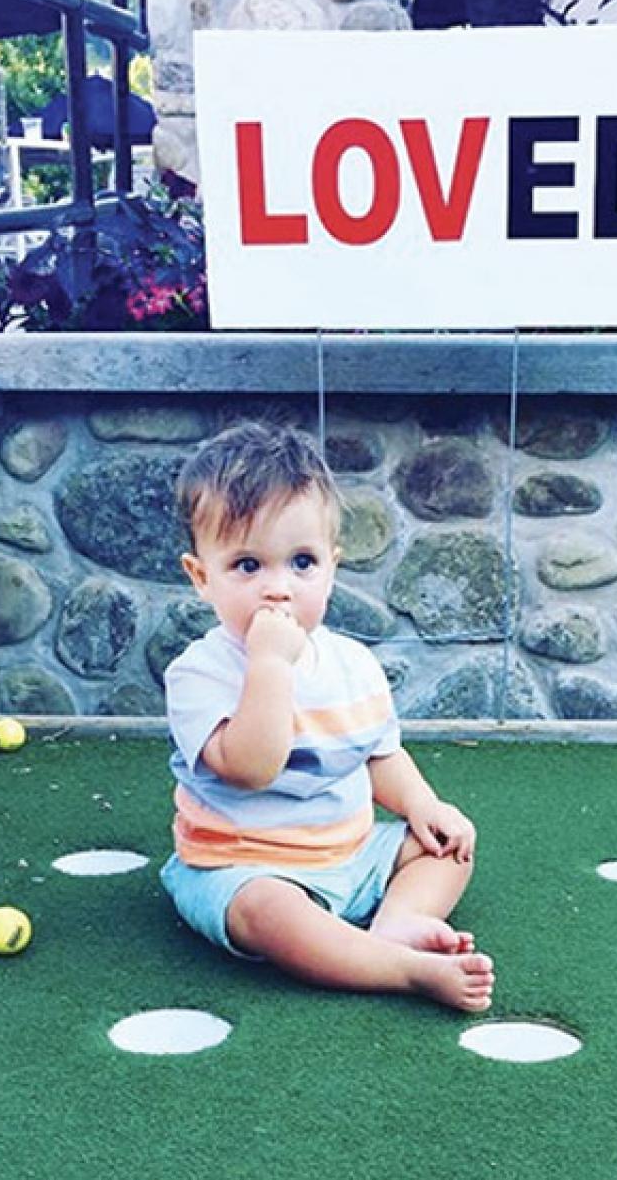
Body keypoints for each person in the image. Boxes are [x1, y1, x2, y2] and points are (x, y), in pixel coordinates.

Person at [158, 422, 496, 1012]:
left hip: (351, 854)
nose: (278, 589)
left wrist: (423, 805)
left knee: (448, 850)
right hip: (241, 866)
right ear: (201, 577)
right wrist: (269, 665)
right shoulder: (200, 675)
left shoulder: (353, 664)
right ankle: (404, 971)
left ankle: (397, 922)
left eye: (302, 562)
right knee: (268, 912)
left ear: (332, 568)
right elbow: (251, 768)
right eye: (247, 565)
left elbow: (379, 755)